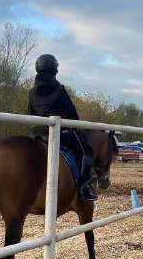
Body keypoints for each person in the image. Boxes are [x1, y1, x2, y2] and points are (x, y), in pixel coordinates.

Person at [27, 54, 97, 201]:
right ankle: (84, 188)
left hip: (37, 133)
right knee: (86, 151)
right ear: (54, 69)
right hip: (60, 132)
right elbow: (73, 115)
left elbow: (30, 114)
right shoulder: (59, 89)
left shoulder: (32, 92)